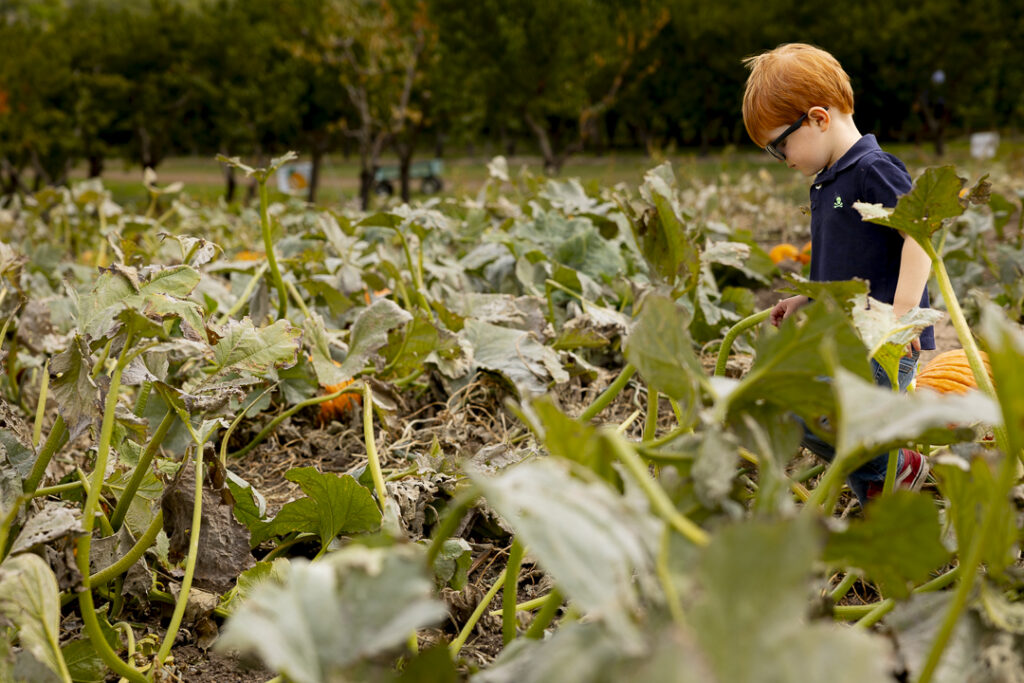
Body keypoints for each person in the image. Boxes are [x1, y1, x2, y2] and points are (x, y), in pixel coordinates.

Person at [741, 43, 934, 505]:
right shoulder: (827, 183)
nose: (780, 157)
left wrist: (902, 313)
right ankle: (879, 489)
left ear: (818, 119)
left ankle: (895, 468)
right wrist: (802, 299)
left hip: (881, 341)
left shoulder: (873, 168)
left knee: (813, 411)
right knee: (798, 411)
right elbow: (838, 266)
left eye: (779, 144)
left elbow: (920, 236)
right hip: (843, 341)